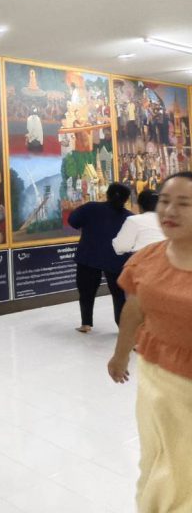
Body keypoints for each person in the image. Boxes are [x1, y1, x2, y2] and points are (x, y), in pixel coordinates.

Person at [108, 172, 192, 512]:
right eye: (165, 201)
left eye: (184, 203)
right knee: (157, 458)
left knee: (185, 467)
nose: (169, 211)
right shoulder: (148, 258)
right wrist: (120, 356)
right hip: (155, 379)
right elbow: (134, 308)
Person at [68, 182, 131, 333]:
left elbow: (73, 221)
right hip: (117, 260)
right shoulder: (130, 217)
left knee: (86, 292)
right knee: (119, 295)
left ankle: (86, 324)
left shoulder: (91, 208)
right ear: (126, 199)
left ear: (107, 194)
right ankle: (123, 327)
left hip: (89, 257)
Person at [112, 190, 165, 256]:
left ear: (140, 206)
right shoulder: (168, 221)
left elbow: (120, 247)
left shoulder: (134, 220)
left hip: (144, 260)